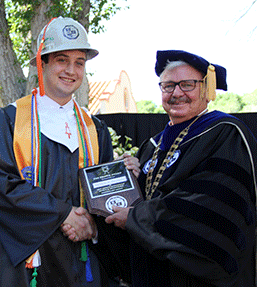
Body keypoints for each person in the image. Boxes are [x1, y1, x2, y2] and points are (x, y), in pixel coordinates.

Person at [0, 16, 131, 286]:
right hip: (26, 265)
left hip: (83, 262)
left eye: (79, 63)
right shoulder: (9, 121)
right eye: (61, 60)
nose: (71, 70)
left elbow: (106, 197)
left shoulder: (95, 129)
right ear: (43, 63)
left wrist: (95, 227)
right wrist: (64, 213)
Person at [103, 50, 257, 286]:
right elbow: (150, 196)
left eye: (187, 85)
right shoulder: (153, 145)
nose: (176, 93)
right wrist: (133, 179)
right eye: (168, 86)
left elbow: (209, 209)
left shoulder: (225, 134)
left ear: (206, 89)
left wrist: (136, 217)